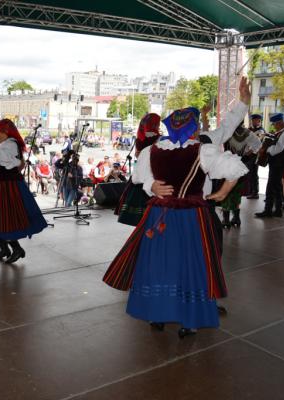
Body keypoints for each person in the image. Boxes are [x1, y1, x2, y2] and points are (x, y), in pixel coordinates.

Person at [102, 106, 248, 338]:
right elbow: (236, 168)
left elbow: (139, 178)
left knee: (160, 265)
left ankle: (157, 314)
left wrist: (152, 186)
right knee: (191, 266)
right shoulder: (203, 150)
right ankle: (188, 320)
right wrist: (221, 194)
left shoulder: (152, 151)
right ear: (194, 128)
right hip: (191, 217)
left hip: (159, 216)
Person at [0, 119, 47, 263]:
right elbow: (15, 162)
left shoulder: (10, 144)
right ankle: (5, 248)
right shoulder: (9, 144)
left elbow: (0, 158)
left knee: (5, 218)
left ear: (5, 132)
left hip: (7, 186)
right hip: (3, 184)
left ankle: (16, 249)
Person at [115, 113, 161, 226]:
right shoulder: (158, 138)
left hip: (139, 175)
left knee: (138, 215)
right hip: (152, 173)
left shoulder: (140, 137)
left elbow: (137, 155)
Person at [220, 122, 261, 228]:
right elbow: (258, 145)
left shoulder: (227, 132)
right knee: (236, 191)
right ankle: (236, 218)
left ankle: (225, 219)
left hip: (228, 163)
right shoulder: (248, 133)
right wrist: (247, 155)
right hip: (241, 164)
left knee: (227, 190)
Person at [255, 113, 284, 218]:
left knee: (272, 186)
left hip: (279, 163)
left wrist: (265, 149)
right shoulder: (283, 132)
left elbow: (278, 148)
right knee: (276, 186)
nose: (274, 126)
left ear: (280, 123)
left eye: (275, 124)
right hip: (277, 163)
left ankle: (270, 210)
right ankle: (276, 210)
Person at [246, 113, 265, 199]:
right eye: (252, 120)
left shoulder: (260, 131)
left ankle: (255, 192)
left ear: (259, 121)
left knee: (253, 174)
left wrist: (249, 152)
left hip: (254, 155)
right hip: (247, 154)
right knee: (249, 173)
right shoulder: (250, 129)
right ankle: (249, 190)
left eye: (255, 120)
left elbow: (257, 144)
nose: (253, 121)